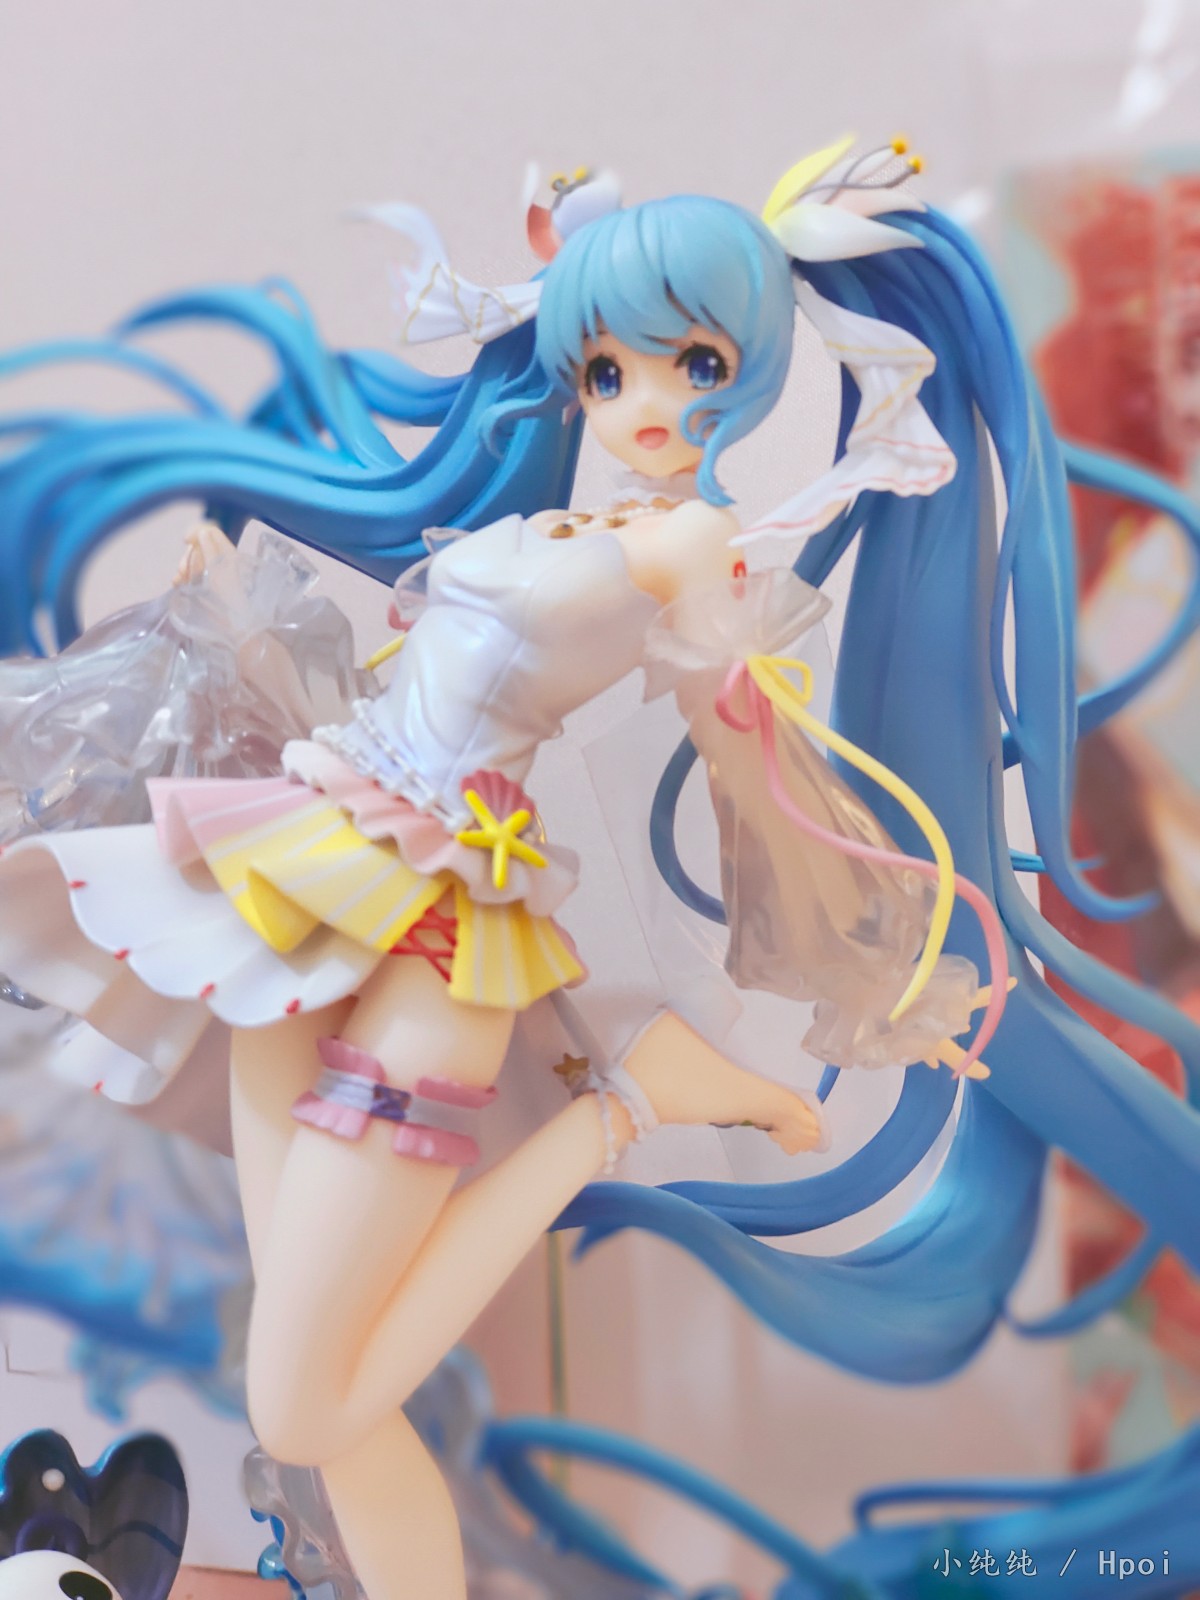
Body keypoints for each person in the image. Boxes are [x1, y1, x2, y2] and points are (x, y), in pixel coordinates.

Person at [0, 143, 1197, 1597]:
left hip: (437, 941)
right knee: (327, 1407)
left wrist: (871, 945)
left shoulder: (694, 543)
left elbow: (752, 761)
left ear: (748, 369)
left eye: (694, 365)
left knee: (303, 1405)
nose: (643, 403)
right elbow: (414, 678)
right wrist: (246, 630)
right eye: (610, 368)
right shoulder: (555, 520)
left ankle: (631, 1103)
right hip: (307, 880)